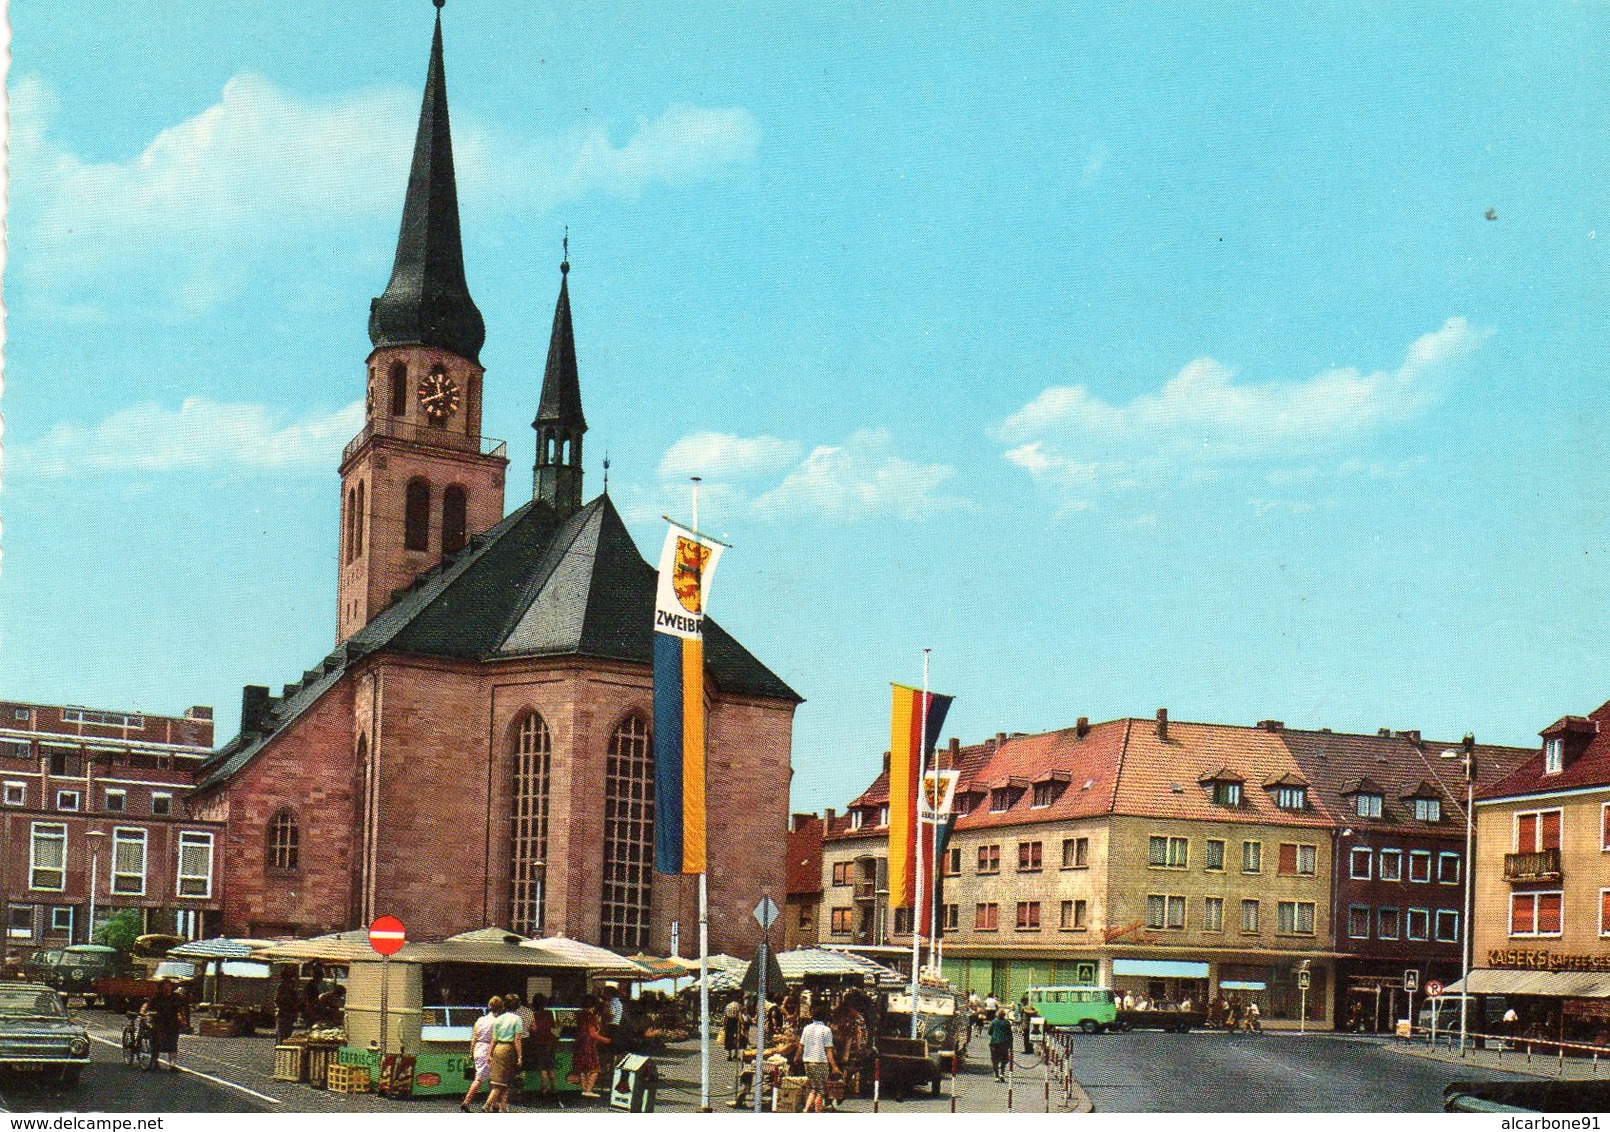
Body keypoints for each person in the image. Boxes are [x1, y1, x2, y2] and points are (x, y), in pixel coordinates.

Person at [482, 997, 524, 1113]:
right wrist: (520, 1055)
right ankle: (487, 1104)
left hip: (498, 1049)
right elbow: (517, 1039)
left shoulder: (498, 1019)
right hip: (509, 1049)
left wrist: (489, 1054)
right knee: (502, 1082)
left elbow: (493, 1039)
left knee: (503, 1080)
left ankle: (503, 1107)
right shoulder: (517, 1019)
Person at [461, 996, 501, 1112]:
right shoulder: (496, 1022)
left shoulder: (480, 1020)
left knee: (491, 1077)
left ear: (489, 1006)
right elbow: (495, 1039)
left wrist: (471, 1052)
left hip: (478, 1048)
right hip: (488, 1050)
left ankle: (494, 1104)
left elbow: (474, 1037)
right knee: (480, 1079)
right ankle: (466, 1102)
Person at [140, 980, 187, 1072]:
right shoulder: (157, 997)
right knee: (157, 1041)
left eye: (168, 986)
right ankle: (155, 1061)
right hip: (158, 1022)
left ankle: (172, 1065)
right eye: (164, 986)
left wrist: (183, 1020)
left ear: (171, 987)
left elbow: (181, 1009)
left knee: (173, 1042)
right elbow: (147, 1005)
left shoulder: (176, 997)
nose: (166, 988)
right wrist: (143, 1012)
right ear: (161, 988)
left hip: (172, 1022)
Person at [799, 1007, 839, 1113]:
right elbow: (829, 1051)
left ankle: (806, 1109)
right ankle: (817, 1111)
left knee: (814, 1088)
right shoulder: (826, 1030)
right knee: (821, 1090)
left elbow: (801, 1045)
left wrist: (796, 1057)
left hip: (807, 1062)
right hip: (820, 1063)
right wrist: (834, 1066)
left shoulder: (806, 1028)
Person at [574, 997, 611, 1098]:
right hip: (589, 1044)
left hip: (580, 1044)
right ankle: (589, 1090)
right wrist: (606, 1040)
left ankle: (584, 1089)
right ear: (593, 1007)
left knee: (583, 1069)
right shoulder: (591, 1017)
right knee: (594, 1069)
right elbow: (592, 1033)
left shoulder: (579, 1015)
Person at [527, 994, 560, 1100]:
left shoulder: (531, 1015)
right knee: (550, 1068)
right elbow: (555, 1027)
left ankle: (543, 1091)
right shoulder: (549, 1013)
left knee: (543, 1069)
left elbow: (532, 1030)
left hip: (538, 1044)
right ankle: (554, 1090)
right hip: (549, 1043)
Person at [274, 967, 301, 1044]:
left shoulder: (292, 989)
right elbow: (278, 1000)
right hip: (283, 1014)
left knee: (287, 1036)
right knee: (282, 1036)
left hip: (289, 1015)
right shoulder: (281, 987)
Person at [987, 1010, 1013, 1081]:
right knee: (1004, 1059)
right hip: (1004, 1043)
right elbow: (1010, 1034)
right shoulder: (1007, 1023)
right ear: (1004, 1015)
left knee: (995, 1059)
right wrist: (1011, 1045)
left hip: (994, 1043)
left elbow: (989, 1032)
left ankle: (996, 1076)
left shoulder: (993, 1022)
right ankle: (1002, 1073)